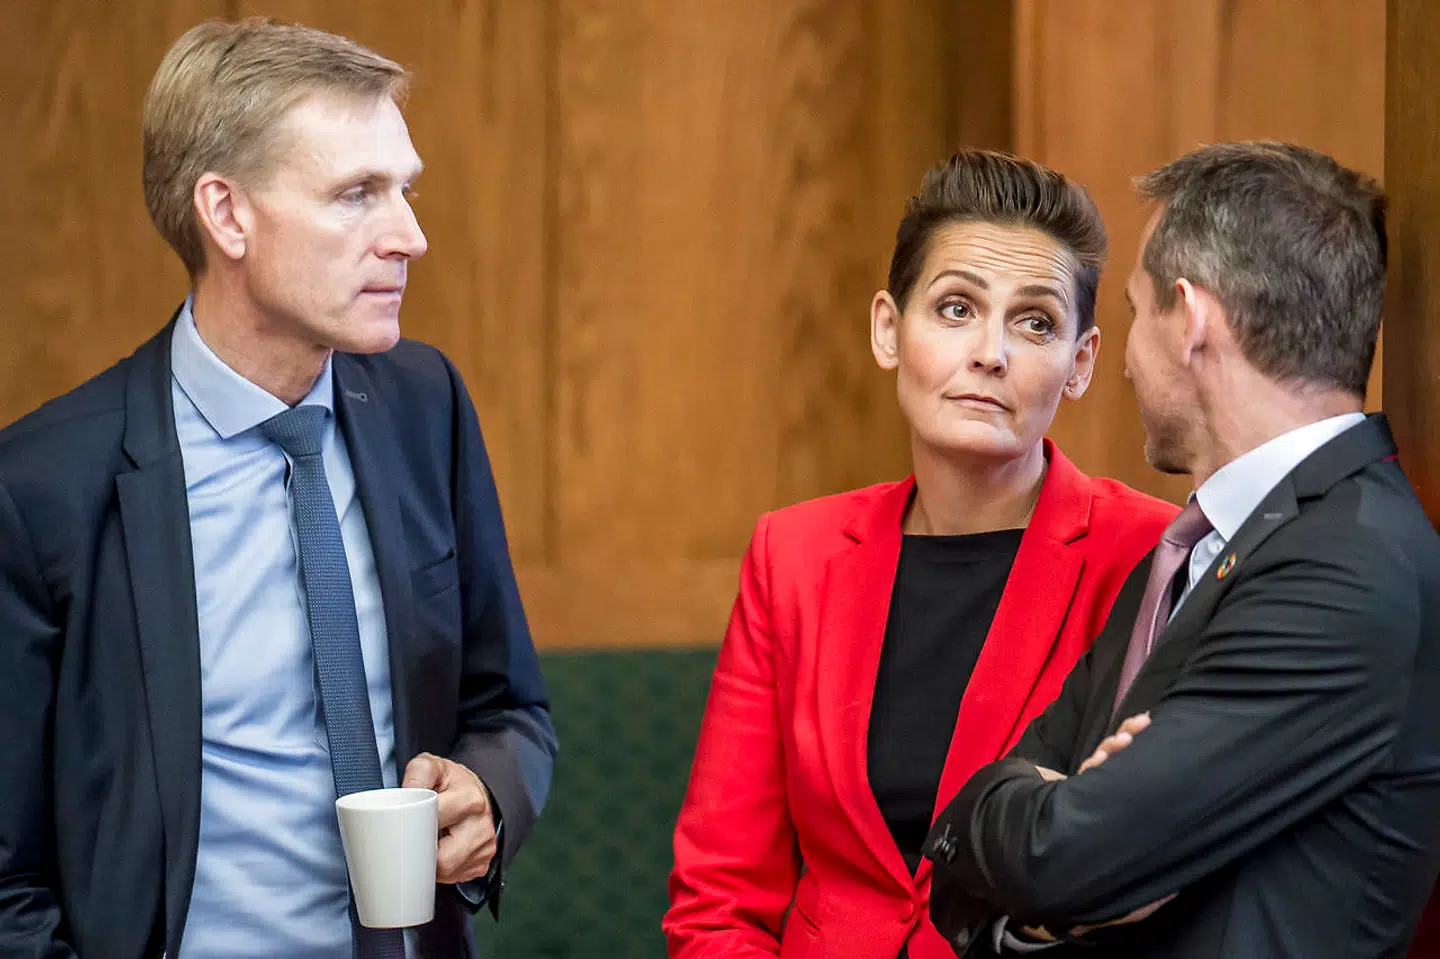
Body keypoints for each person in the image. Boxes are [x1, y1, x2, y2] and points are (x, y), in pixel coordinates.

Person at [0, 19, 556, 959]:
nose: (410, 236)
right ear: (227, 214)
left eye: (404, 191)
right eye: (356, 195)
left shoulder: (426, 406)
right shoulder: (43, 487)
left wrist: (489, 791)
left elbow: (508, 707)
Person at [924, 142, 1440, 957]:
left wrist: (1046, 831)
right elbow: (971, 869)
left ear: (1192, 319)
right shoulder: (1190, 550)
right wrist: (1036, 851)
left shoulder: (1348, 566)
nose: (1126, 363)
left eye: (1134, 315)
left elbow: (1063, 854)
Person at [664, 150, 1178, 959]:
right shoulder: (791, 554)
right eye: (955, 308)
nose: (991, 353)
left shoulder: (1151, 553)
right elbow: (719, 897)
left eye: (1035, 321)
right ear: (886, 330)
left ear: (1080, 363)